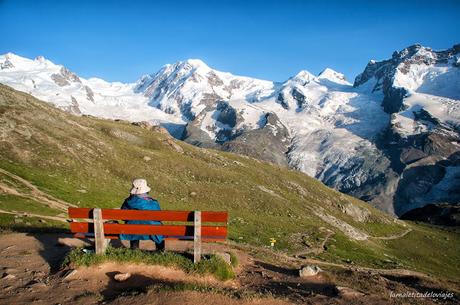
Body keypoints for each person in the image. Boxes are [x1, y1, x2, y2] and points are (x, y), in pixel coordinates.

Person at [119, 178, 165, 251]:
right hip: (152, 232)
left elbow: (123, 217)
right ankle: (161, 251)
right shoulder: (153, 203)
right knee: (159, 228)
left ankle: (134, 249)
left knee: (133, 225)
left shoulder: (128, 202)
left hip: (132, 230)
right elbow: (159, 218)